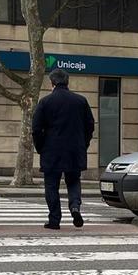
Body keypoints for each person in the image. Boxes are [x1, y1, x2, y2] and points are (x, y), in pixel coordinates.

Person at [31, 68, 95, 229]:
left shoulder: (45, 102)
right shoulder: (81, 101)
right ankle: (74, 207)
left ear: (51, 83)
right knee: (73, 181)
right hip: (75, 150)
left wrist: (41, 147)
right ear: (67, 82)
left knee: (51, 185)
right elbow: (90, 125)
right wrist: (83, 144)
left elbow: (36, 129)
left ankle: (54, 219)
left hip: (51, 151)